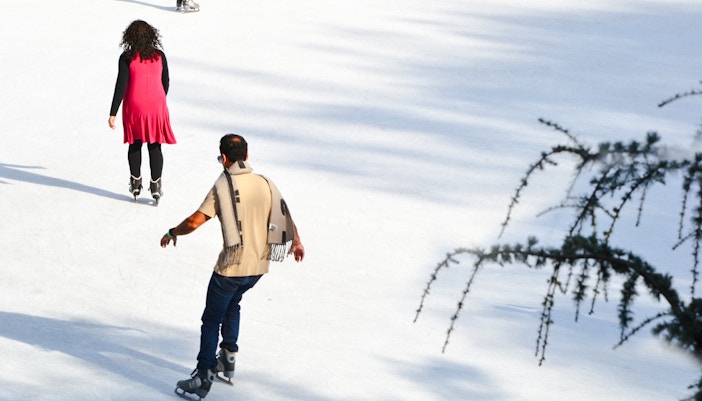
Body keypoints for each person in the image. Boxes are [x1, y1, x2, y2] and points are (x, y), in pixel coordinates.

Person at [161, 134, 305, 399]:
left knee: (211, 319)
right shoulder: (265, 182)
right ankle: (227, 359)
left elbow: (195, 221)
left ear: (224, 158)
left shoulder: (223, 186)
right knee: (233, 305)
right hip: (258, 267)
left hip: (231, 268)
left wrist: (172, 233)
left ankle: (202, 376)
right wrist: (296, 241)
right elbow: (285, 214)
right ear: (246, 156)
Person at [109, 20, 176, 202]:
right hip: (157, 105)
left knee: (135, 143)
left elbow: (120, 86)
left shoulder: (126, 57)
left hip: (134, 106)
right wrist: (159, 99)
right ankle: (156, 184)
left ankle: (136, 182)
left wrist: (113, 112)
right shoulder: (160, 55)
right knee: (155, 145)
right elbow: (166, 81)